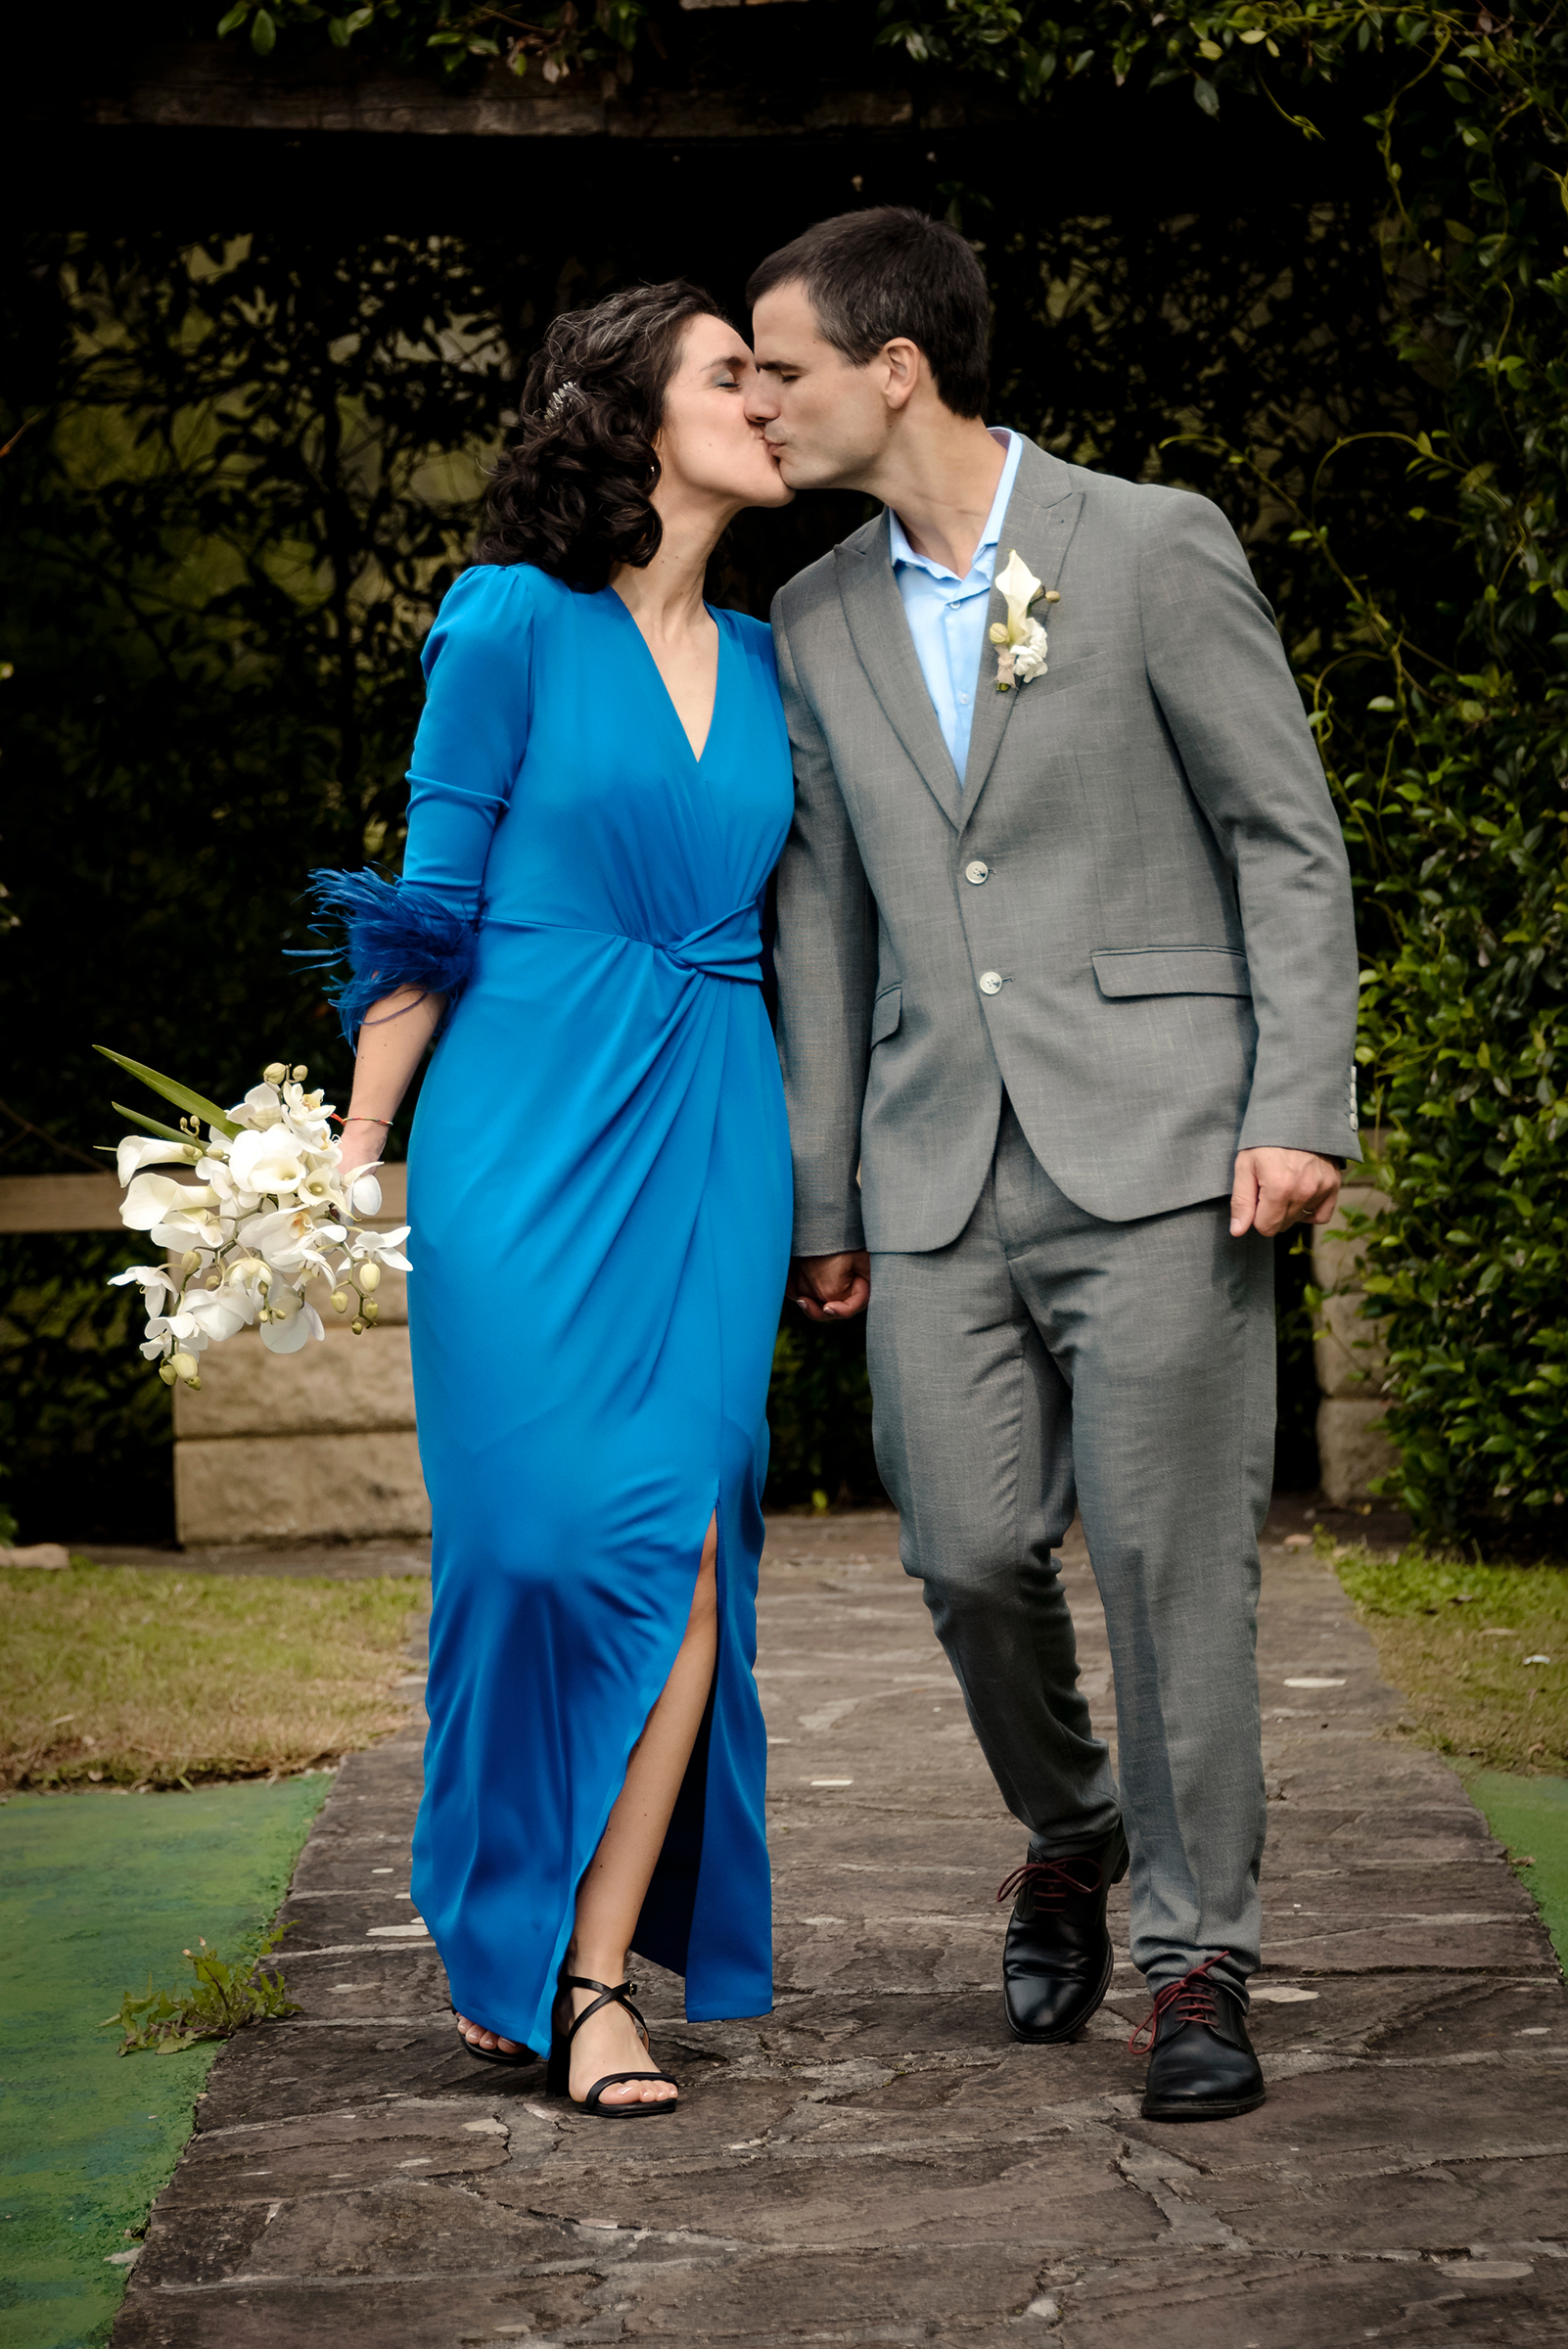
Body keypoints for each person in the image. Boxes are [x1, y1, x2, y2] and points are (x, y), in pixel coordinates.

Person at [748, 207, 1360, 2123]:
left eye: (781, 367)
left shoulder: (1150, 543)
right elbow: (824, 919)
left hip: (1174, 1144)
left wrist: (1295, 1103)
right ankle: (1071, 1826)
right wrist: (828, 1193)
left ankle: (1196, 1963)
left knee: (1181, 1574)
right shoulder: (813, 615)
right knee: (962, 1549)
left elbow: (1287, 838)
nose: (757, 401)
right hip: (935, 1173)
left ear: (893, 369)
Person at [306, 282, 795, 2115]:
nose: (766, 399)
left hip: (714, 1130)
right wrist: (357, 1150)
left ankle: (593, 1974)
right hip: (523, 1122)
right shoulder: (508, 621)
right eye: (730, 374)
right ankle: (493, 1903)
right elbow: (426, 909)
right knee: (523, 1545)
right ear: (630, 418)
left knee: (681, 1551)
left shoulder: (770, 660)